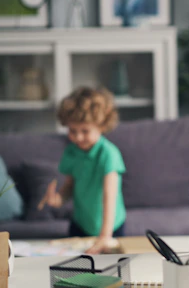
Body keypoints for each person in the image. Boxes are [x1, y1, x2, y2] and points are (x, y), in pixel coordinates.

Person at [38, 87, 126, 254]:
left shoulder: (109, 154)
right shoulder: (71, 152)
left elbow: (110, 197)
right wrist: (57, 199)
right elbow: (70, 186)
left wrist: (104, 236)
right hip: (80, 223)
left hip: (110, 227)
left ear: (102, 126)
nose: (78, 137)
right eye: (73, 131)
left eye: (85, 131)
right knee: (78, 269)